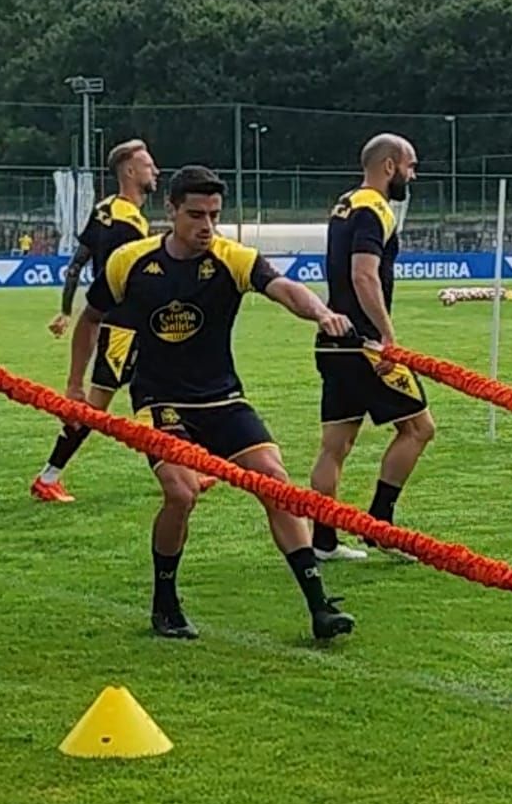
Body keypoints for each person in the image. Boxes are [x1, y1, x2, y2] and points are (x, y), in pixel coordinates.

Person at [79, 164, 358, 642]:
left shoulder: (232, 258)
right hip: (160, 400)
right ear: (170, 211)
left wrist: (322, 313)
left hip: (222, 397)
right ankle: (165, 603)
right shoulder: (131, 261)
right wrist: (74, 385)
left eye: (214, 215)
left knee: (276, 482)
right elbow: (91, 318)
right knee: (181, 492)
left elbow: (284, 289)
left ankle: (319, 606)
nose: (206, 226)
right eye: (195, 215)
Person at [308, 134, 436, 564]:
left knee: (336, 444)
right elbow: (364, 275)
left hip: (333, 342)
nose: (412, 176)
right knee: (419, 428)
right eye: (410, 166)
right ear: (389, 166)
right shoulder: (374, 209)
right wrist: (387, 336)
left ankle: (323, 540)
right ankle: (380, 524)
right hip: (364, 345)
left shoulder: (344, 205)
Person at [31, 139, 161, 504]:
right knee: (96, 407)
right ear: (130, 172)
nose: (156, 171)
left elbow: (77, 264)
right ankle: (48, 476)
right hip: (123, 326)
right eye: (148, 165)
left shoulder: (105, 209)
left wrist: (67, 309)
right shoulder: (128, 224)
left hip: (121, 322)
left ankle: (183, 471)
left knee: (157, 395)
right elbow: (131, 282)